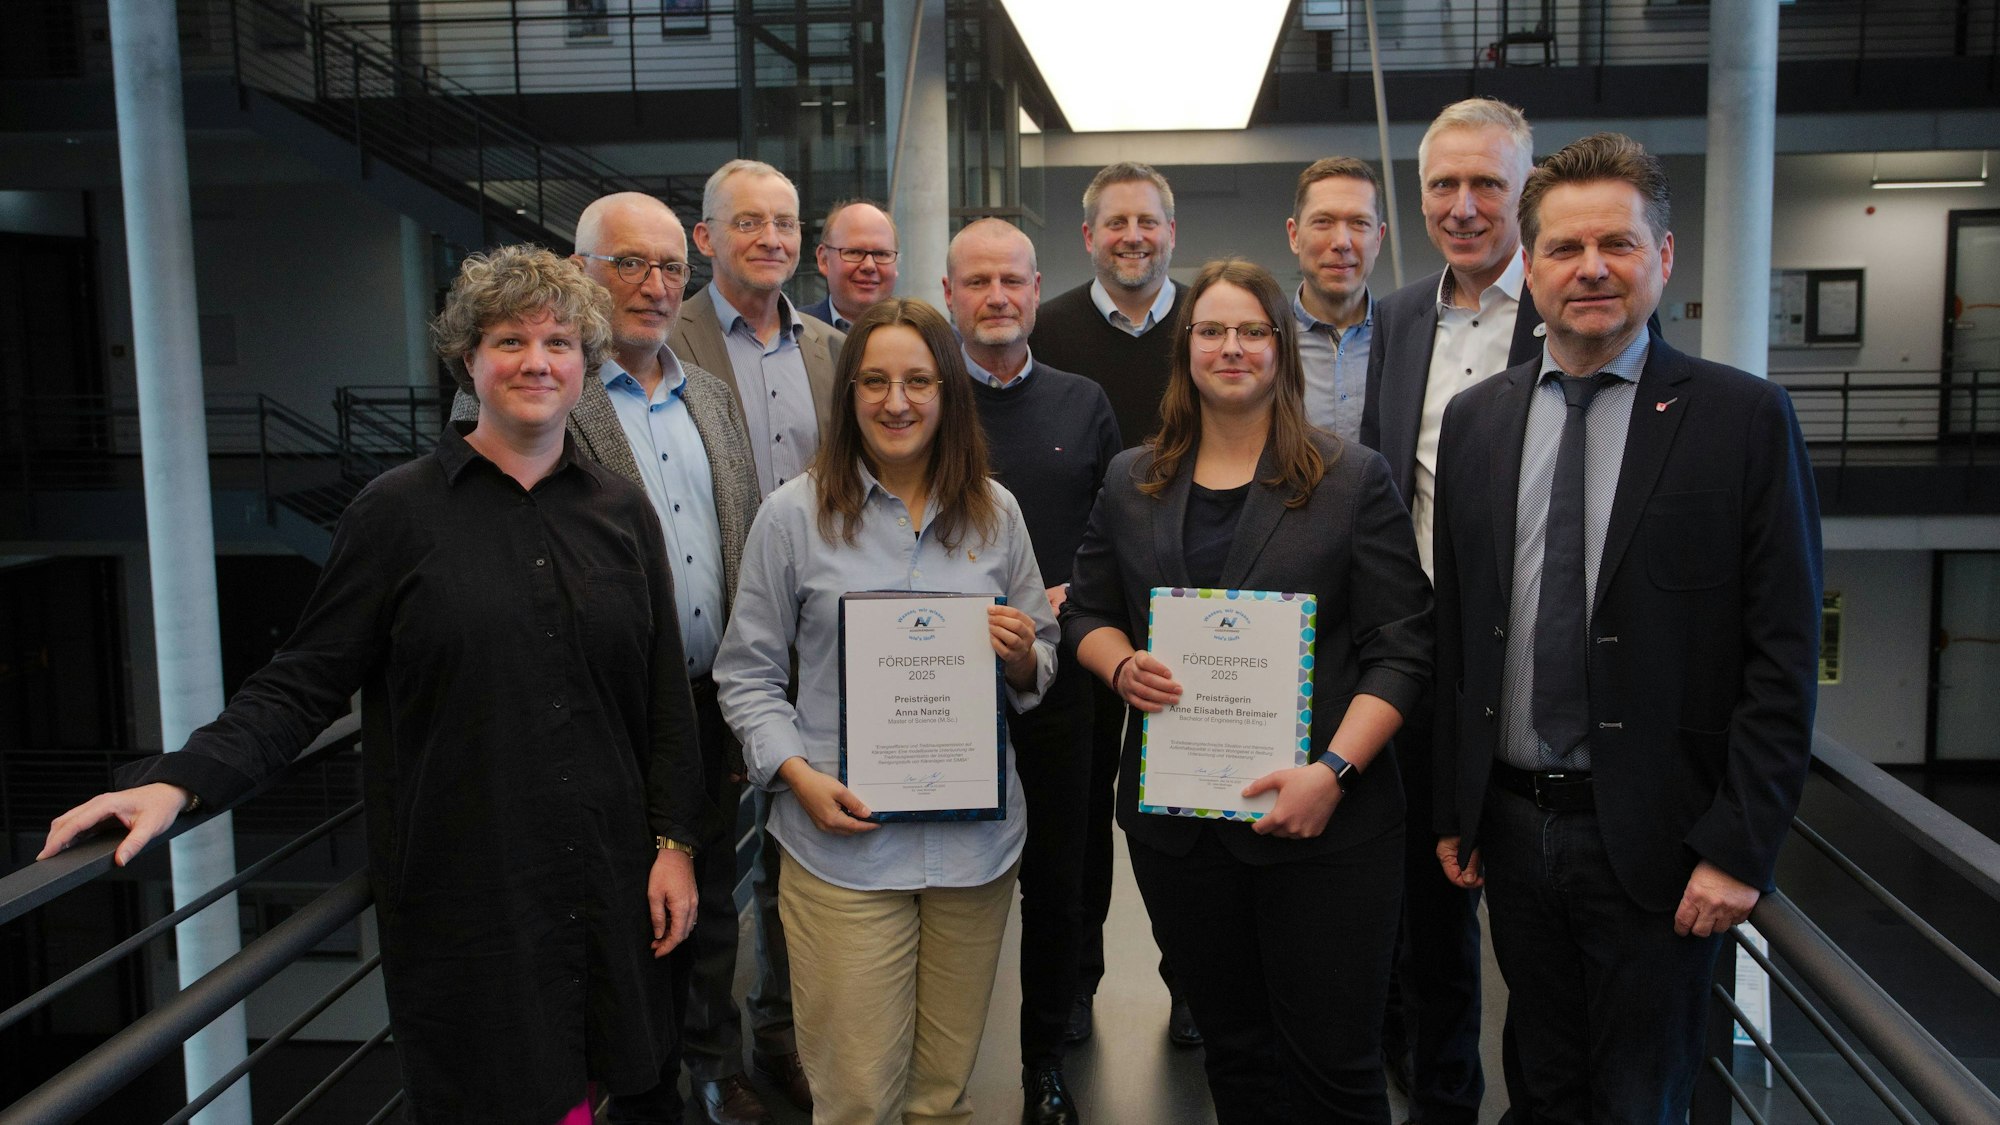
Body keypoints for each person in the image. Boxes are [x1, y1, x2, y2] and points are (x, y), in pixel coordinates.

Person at [39, 245, 715, 1125]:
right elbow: (303, 682)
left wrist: (676, 844)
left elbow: (664, 700)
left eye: (558, 342)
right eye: (509, 340)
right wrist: (179, 778)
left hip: (611, 875)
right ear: (467, 359)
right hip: (474, 892)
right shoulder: (397, 512)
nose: (536, 362)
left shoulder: (621, 511)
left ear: (586, 363)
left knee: (621, 1079)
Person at [1430, 132, 1821, 1122]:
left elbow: (1781, 654)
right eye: (1562, 249)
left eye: (1616, 242)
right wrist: (1456, 805)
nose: (1590, 268)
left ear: (1664, 256)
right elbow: (1462, 626)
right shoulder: (1477, 420)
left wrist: (1740, 848)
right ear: (1528, 267)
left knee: (1642, 1100)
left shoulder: (1740, 419)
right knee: (1541, 1084)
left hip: (1660, 842)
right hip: (1512, 832)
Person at [1062, 257, 1433, 1124]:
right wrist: (1120, 663)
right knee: (1237, 1060)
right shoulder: (1131, 478)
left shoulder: (1351, 477)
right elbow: (1086, 612)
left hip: (1326, 831)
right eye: (1211, 331)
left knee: (1337, 1072)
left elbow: (1403, 649)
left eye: (1251, 331)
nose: (1231, 347)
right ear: (1186, 348)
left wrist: (1333, 771)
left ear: (1281, 348)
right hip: (1182, 835)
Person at [714, 297, 1059, 1125]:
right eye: (874, 381)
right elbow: (747, 675)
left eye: (917, 380)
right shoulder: (792, 516)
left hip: (973, 854)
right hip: (845, 851)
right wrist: (797, 778)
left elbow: (1041, 655)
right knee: (859, 1099)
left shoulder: (996, 512)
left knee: (940, 1099)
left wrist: (1021, 655)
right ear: (849, 393)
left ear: (949, 393)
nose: (895, 401)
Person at [1358, 96, 1538, 1124]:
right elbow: (1391, 486)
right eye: (1441, 185)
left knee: (1522, 911)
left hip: (1527, 669)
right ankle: (1443, 1102)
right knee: (1427, 915)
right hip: (1423, 659)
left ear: (1524, 189)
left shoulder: (1564, 309)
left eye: (1486, 185)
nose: (1463, 207)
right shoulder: (1396, 315)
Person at [670, 157, 846, 1115]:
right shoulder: (673, 337)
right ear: (706, 238)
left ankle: (782, 1034)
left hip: (812, 650)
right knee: (700, 864)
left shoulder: (828, 347)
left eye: (784, 222)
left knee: (795, 864)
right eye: (748, 223)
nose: (771, 238)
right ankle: (713, 1054)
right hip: (707, 652)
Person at [943, 217, 1121, 1125]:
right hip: (938, 690)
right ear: (950, 296)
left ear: (1037, 286)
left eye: (1012, 280)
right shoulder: (922, 402)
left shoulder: (1083, 399)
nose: (997, 297)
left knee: (1058, 881)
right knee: (949, 880)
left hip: (1057, 685)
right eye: (977, 282)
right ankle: (938, 1065)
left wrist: (1063, 599)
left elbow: (1111, 529)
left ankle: (1043, 1058)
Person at [1026, 159, 1200, 1050]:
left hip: (1198, 610)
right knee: (1080, 809)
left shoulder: (1212, 324)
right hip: (1085, 611)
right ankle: (1077, 983)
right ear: (1088, 235)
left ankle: (1196, 984)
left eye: (1150, 221)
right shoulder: (1045, 329)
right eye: (1115, 221)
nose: (1134, 235)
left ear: (1173, 233)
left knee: (1193, 806)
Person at [1287, 156, 1386, 444]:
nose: (1341, 242)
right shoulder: (1265, 343)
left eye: (1359, 223)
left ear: (1378, 238)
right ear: (1294, 235)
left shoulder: (1406, 343)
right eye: (1323, 222)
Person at [803, 199, 899, 332]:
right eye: (854, 252)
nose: (869, 266)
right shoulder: (793, 336)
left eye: (881, 254)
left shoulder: (921, 339)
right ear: (824, 260)